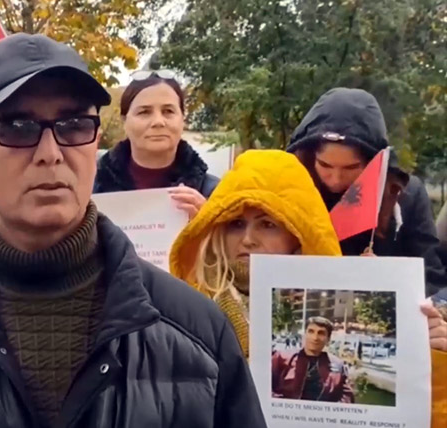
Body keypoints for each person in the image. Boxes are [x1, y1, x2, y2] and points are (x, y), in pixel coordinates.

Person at [0, 33, 265, 428]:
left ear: (96, 143)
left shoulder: (199, 334)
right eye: (17, 127)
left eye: (74, 125)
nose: (50, 153)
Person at [169, 150, 447, 424]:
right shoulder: (184, 309)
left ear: (298, 234)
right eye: (235, 224)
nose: (249, 239)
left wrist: (430, 360)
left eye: (268, 224)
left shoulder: (340, 351)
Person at [287, 87, 447, 295]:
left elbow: (433, 281)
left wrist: (387, 278)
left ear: (374, 162)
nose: (335, 179)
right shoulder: (288, 192)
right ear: (309, 158)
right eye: (325, 166)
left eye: (351, 168)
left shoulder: (407, 195)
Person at [93, 70, 219, 218]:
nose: (158, 122)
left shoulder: (214, 194)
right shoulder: (90, 190)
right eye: (144, 112)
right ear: (124, 121)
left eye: (168, 111)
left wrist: (209, 225)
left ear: (183, 119)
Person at [271, 317, 353, 402]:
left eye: (321, 333)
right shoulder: (282, 358)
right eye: (311, 331)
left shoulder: (338, 366)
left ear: (328, 339)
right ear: (304, 334)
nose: (315, 338)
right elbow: (264, 387)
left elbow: (347, 397)